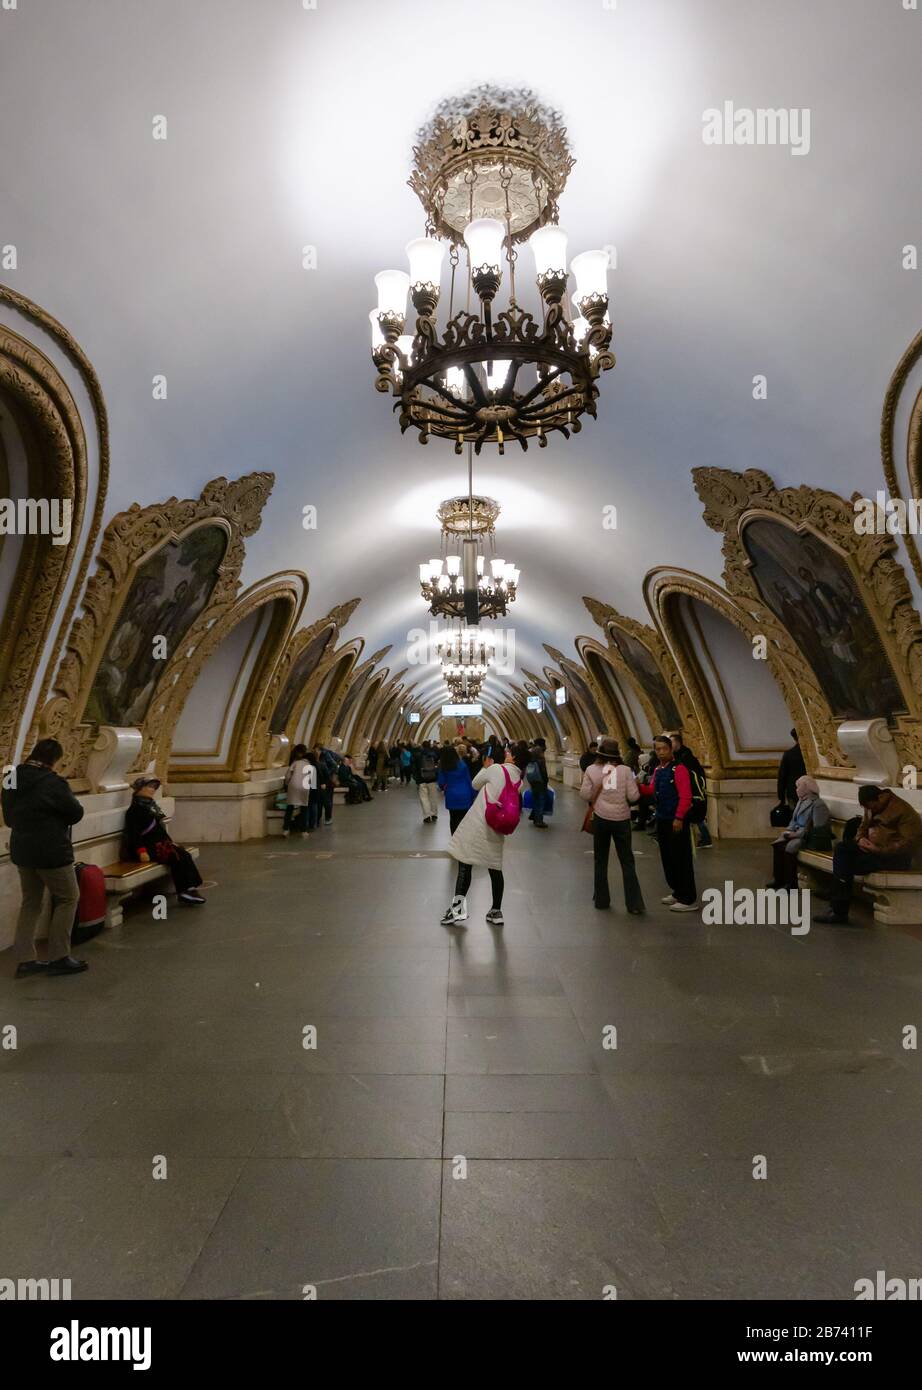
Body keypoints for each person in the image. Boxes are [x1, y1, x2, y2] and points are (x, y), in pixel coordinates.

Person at [1, 737, 87, 977]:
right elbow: (76, 813)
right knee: (68, 897)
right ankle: (59, 956)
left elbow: (8, 818)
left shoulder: (12, 777)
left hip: (22, 850)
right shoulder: (53, 782)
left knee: (30, 902)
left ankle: (25, 959)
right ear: (54, 760)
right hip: (52, 851)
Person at [441, 740, 529, 927]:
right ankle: (496, 911)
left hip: (478, 825)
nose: (506, 752)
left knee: (465, 866)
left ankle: (457, 911)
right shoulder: (519, 780)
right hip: (496, 829)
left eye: (509, 751)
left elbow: (475, 784)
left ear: (514, 757)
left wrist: (485, 767)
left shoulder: (496, 769)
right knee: (495, 868)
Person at [815, 784, 922, 924]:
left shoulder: (903, 811)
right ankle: (837, 903)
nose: (869, 810)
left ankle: (838, 907)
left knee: (845, 865)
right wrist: (860, 839)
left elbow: (909, 843)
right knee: (842, 849)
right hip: (871, 850)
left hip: (893, 857)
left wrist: (879, 850)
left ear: (879, 798)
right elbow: (863, 827)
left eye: (871, 807)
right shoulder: (870, 806)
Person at [580, 737, 644, 914]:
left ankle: (601, 900)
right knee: (627, 862)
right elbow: (633, 797)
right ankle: (634, 904)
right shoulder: (625, 770)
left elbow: (585, 794)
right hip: (622, 820)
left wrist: (596, 793)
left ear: (599, 752)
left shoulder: (591, 770)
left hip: (600, 818)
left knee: (600, 860)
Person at [122, 776, 205, 905]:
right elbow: (134, 834)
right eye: (149, 786)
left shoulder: (151, 806)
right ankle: (183, 891)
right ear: (139, 789)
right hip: (148, 848)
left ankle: (190, 888)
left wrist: (170, 842)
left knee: (184, 854)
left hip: (159, 844)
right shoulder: (134, 810)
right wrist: (141, 851)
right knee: (176, 857)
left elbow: (159, 829)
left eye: (154, 787)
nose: (152, 790)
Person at [639, 735, 698, 912]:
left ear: (671, 750)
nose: (661, 752)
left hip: (676, 820)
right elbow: (652, 790)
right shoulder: (658, 770)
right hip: (662, 819)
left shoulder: (679, 769)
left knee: (681, 858)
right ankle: (677, 891)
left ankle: (688, 898)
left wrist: (679, 817)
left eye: (665, 748)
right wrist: (636, 785)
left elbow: (686, 796)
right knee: (668, 857)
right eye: (658, 749)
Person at [767, 775, 829, 890]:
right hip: (796, 833)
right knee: (778, 845)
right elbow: (793, 820)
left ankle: (791, 884)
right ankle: (779, 879)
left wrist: (796, 834)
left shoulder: (817, 804)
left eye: (799, 786)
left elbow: (817, 828)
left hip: (808, 837)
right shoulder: (801, 801)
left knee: (789, 848)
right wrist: (788, 831)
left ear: (807, 788)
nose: (796, 789)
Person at [671, 733, 712, 848]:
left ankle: (706, 839)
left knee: (697, 817)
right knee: (696, 817)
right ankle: (702, 838)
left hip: (694, 792)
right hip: (691, 791)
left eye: (672, 742)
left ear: (678, 742)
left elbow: (691, 775)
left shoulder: (686, 757)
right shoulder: (680, 755)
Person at [437, 743, 475, 832]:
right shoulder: (462, 765)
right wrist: (473, 794)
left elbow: (441, 782)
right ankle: (463, 839)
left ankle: (454, 840)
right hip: (465, 794)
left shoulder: (444, 766)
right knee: (464, 820)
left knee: (453, 819)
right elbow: (469, 781)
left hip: (452, 795)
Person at [283, 744, 314, 836]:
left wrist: (287, 784)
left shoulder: (295, 763)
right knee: (304, 808)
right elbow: (311, 780)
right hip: (304, 787)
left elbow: (288, 775)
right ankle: (303, 830)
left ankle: (286, 829)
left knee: (290, 808)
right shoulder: (309, 765)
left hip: (293, 786)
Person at [777, 730, 807, 809]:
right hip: (809, 791)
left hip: (793, 791)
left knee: (795, 816)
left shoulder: (789, 754)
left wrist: (781, 797)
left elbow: (782, 776)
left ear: (794, 738)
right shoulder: (810, 753)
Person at [525, 739, 550, 828]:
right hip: (540, 781)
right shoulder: (540, 758)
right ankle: (539, 820)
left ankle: (535, 817)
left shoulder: (531, 757)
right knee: (541, 800)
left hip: (533, 780)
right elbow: (543, 771)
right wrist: (546, 780)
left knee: (536, 799)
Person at [414, 740, 440, 823]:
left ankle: (427, 816)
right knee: (433, 797)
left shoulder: (418, 755)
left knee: (424, 798)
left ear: (422, 746)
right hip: (432, 778)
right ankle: (434, 814)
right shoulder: (434, 755)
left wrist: (417, 780)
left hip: (422, 779)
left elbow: (415, 769)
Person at [313, 746, 337, 824]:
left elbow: (334, 765)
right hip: (323, 782)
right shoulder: (320, 760)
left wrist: (328, 774)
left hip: (327, 782)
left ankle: (328, 818)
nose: (316, 752)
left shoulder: (325, 756)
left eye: (316, 751)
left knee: (326, 801)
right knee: (321, 801)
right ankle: (320, 818)